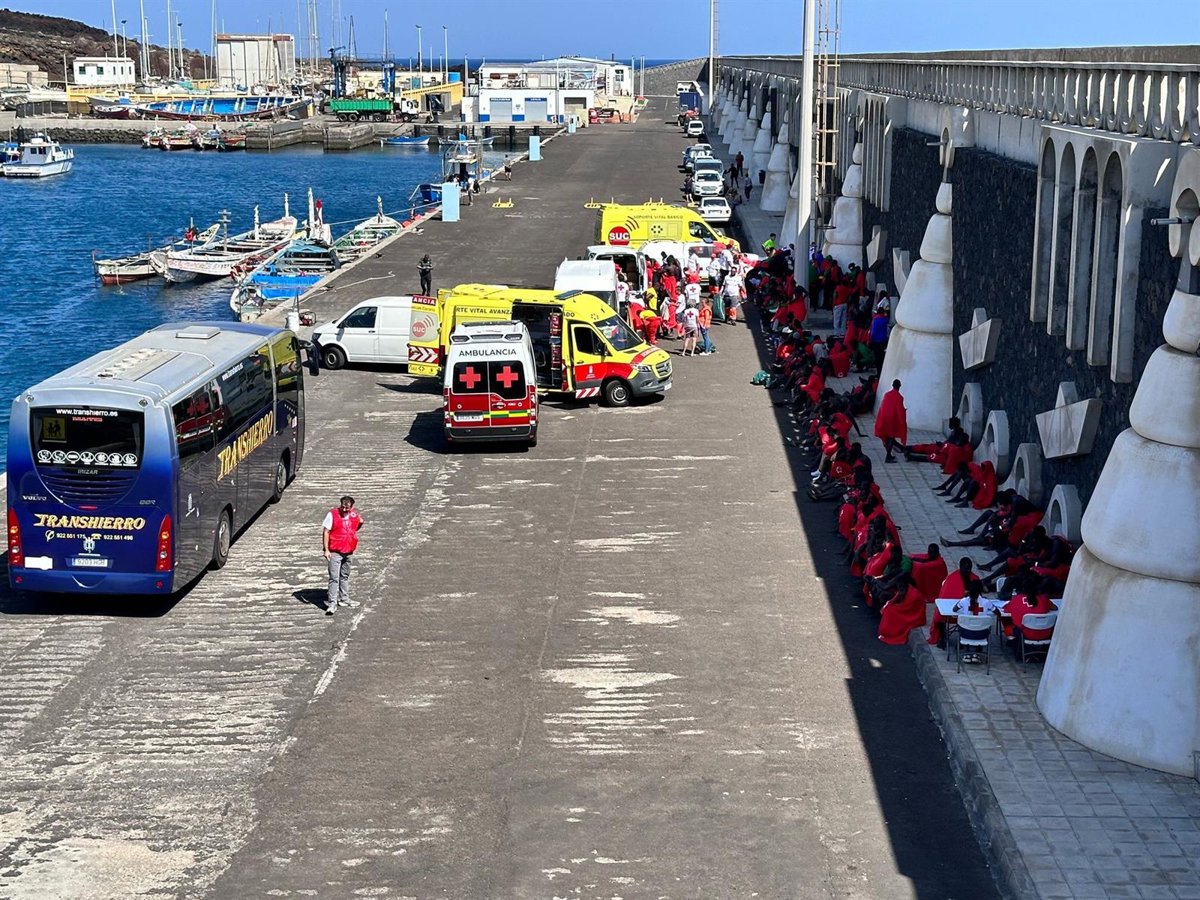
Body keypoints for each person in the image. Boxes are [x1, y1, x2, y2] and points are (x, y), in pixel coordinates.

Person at [322, 495, 364, 616]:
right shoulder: (332, 514)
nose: (344, 510)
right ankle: (332, 603)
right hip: (335, 551)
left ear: (352, 507)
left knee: (344, 576)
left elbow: (360, 521)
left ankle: (344, 598)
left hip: (348, 550)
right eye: (343, 507)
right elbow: (326, 531)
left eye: (347, 508)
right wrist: (326, 550)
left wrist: (353, 531)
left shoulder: (354, 515)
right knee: (334, 578)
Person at [874, 379, 908, 463]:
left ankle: (891, 453)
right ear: (899, 386)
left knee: (887, 436)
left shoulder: (887, 394)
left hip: (883, 418)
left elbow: (883, 407)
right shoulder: (899, 397)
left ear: (892, 385)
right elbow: (899, 411)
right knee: (891, 438)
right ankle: (888, 456)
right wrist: (903, 420)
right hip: (891, 420)